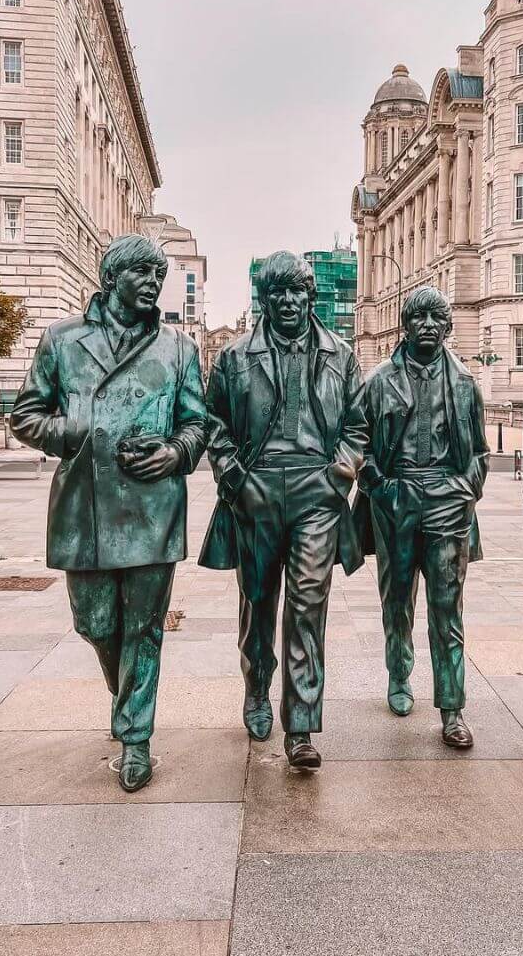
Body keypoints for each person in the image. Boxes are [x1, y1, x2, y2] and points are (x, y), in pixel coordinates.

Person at [11, 234, 208, 793]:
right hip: (85, 507)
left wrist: (175, 451)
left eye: (160, 275)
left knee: (144, 628)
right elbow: (26, 414)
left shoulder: (178, 349)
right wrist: (74, 431)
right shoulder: (62, 340)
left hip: (153, 507)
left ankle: (136, 738)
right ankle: (125, 695)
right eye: (143, 273)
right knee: (95, 623)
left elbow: (199, 423)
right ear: (111, 277)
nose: (153, 283)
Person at [200, 251, 367, 770]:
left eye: (297, 292)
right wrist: (234, 479)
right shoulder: (233, 358)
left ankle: (301, 724)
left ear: (310, 296)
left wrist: (339, 473)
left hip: (317, 495)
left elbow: (358, 426)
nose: (289, 302)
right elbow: (213, 424)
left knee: (307, 607)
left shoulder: (340, 354)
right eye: (277, 294)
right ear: (264, 300)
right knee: (258, 603)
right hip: (256, 490)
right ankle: (256, 688)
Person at [353, 288, 489, 750]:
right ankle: (398, 674)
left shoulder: (465, 383)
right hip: (397, 497)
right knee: (397, 599)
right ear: (404, 325)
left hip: (447, 499)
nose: (428, 324)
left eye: (437, 317)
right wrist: (379, 485)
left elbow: (479, 454)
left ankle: (452, 708)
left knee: (448, 609)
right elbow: (360, 444)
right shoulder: (377, 381)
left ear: (447, 326)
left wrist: (464, 490)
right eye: (419, 316)